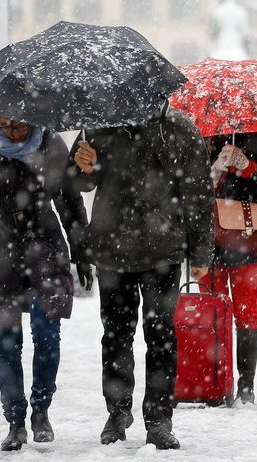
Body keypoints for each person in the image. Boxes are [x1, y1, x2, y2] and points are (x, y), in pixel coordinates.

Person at [69, 100, 213, 450]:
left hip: (163, 250)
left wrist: (201, 252)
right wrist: (81, 167)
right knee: (115, 336)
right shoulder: (100, 123)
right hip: (112, 249)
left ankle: (159, 418)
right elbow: (77, 182)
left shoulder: (181, 131)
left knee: (161, 335)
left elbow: (198, 194)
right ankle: (117, 412)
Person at [0, 115, 90, 451]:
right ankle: (15, 421)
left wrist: (82, 251)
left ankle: (41, 410)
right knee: (7, 343)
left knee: (47, 334)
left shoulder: (50, 144)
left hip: (45, 248)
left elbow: (69, 200)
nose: (13, 133)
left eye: (20, 126)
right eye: (6, 126)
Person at [192, 132, 257, 404]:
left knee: (246, 311)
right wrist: (213, 172)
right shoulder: (202, 134)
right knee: (212, 312)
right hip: (208, 239)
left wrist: (246, 167)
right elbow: (188, 189)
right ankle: (215, 381)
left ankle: (246, 384)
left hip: (247, 240)